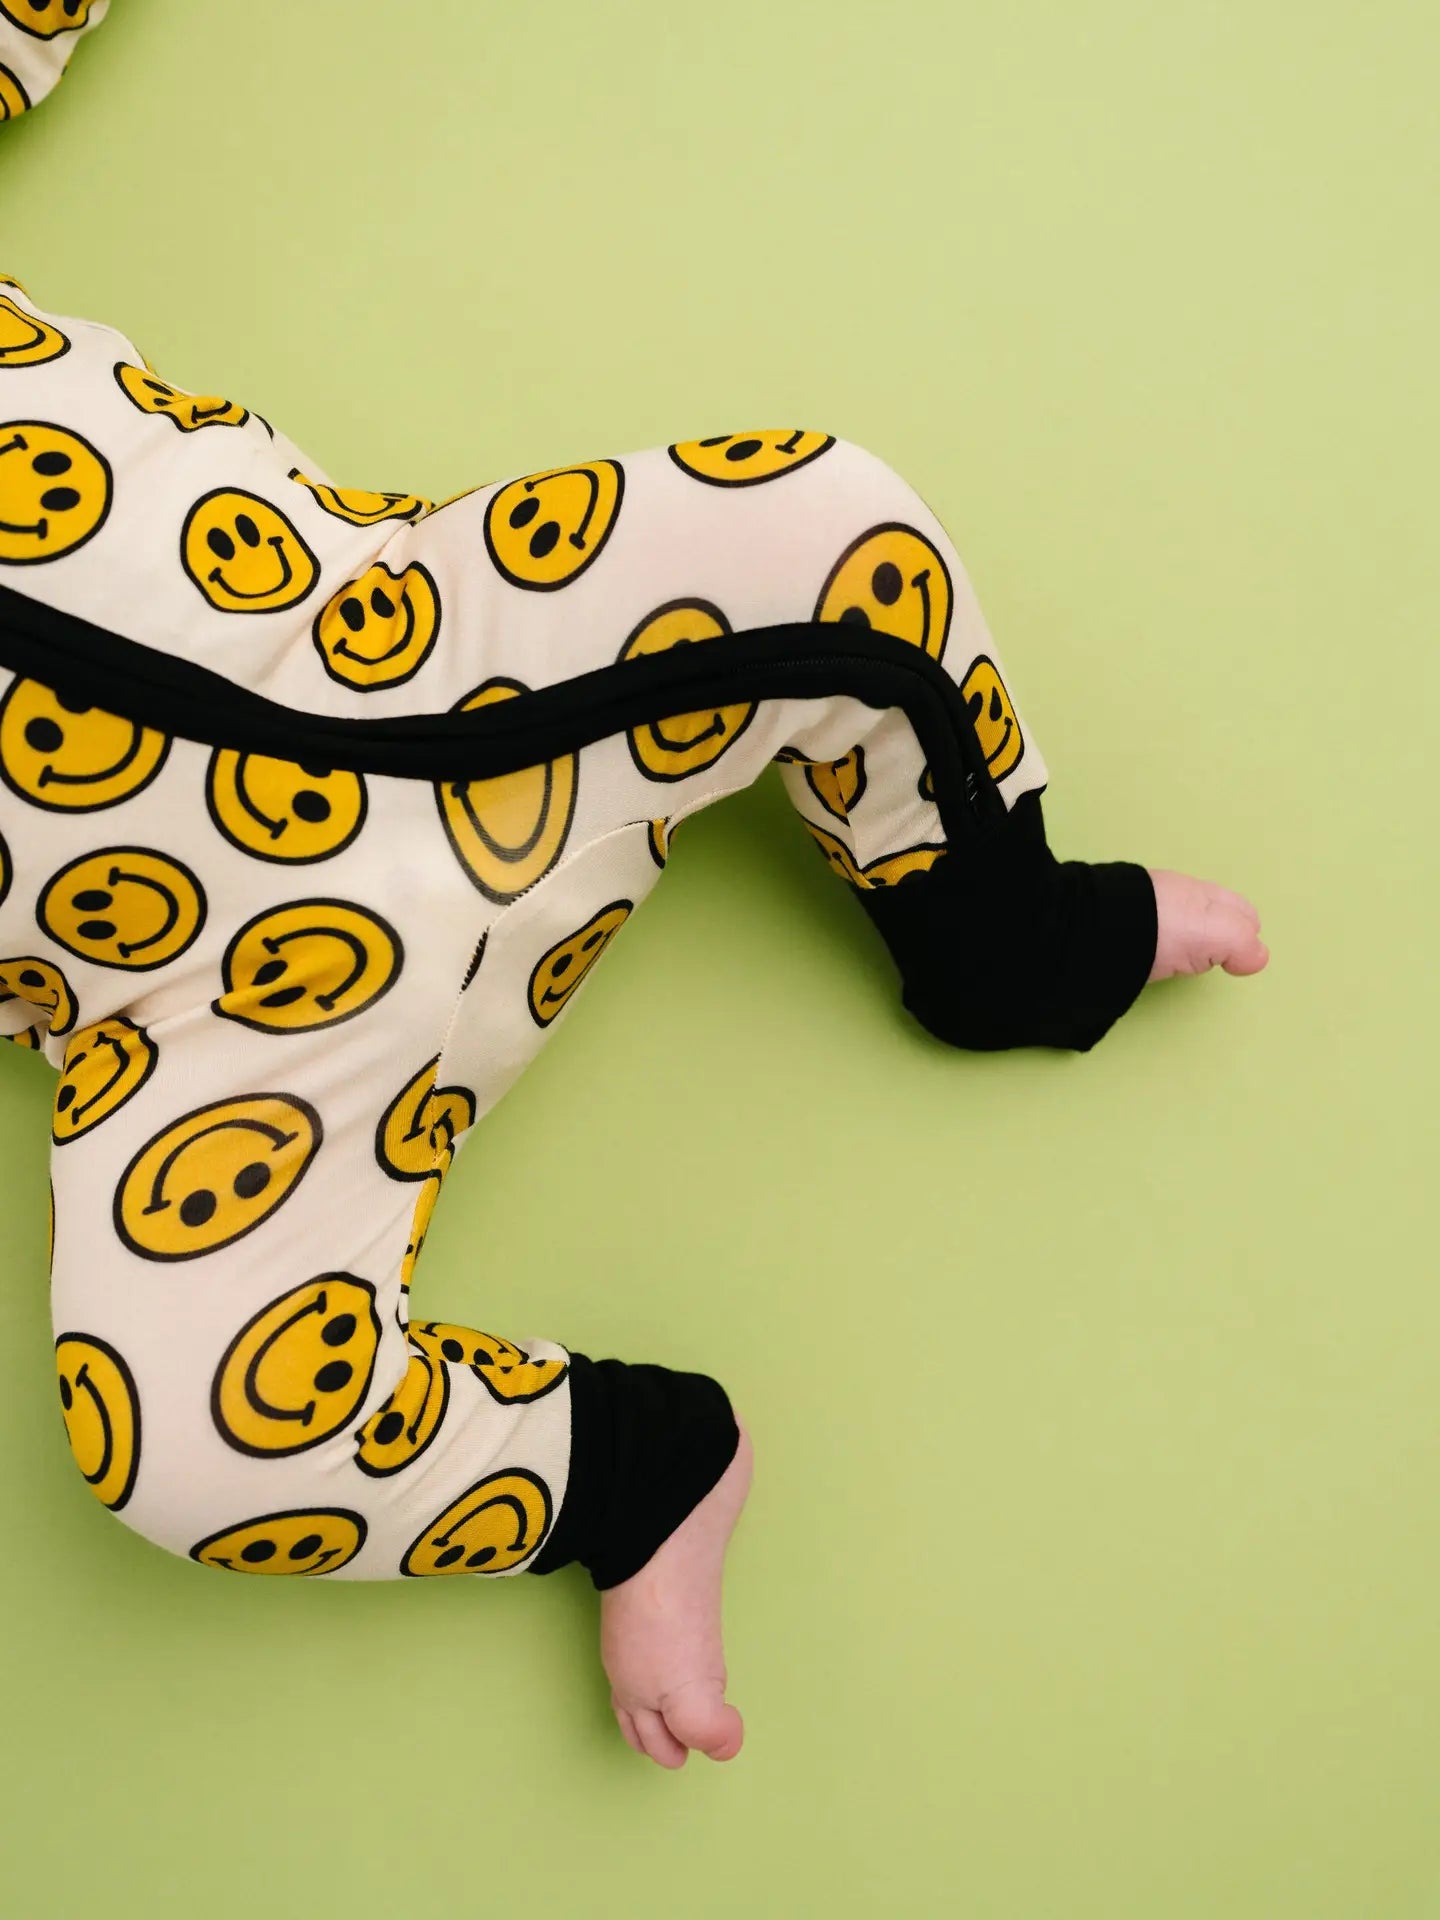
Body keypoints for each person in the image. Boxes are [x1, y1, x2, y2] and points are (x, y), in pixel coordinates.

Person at [0, 1, 1267, 1771]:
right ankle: (628, 1467)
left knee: (830, 525)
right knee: (186, 1445)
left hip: (438, 645)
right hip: (211, 1015)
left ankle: (1002, 933)